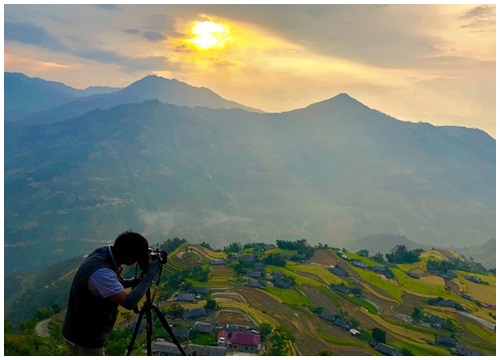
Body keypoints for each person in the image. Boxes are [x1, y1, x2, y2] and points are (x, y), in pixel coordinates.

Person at [62, 231, 162, 356]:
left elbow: (104, 287)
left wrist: (132, 282)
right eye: (137, 257)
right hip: (84, 340)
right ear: (130, 258)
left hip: (80, 331)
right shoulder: (102, 272)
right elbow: (128, 302)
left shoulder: (104, 253)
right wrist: (151, 273)